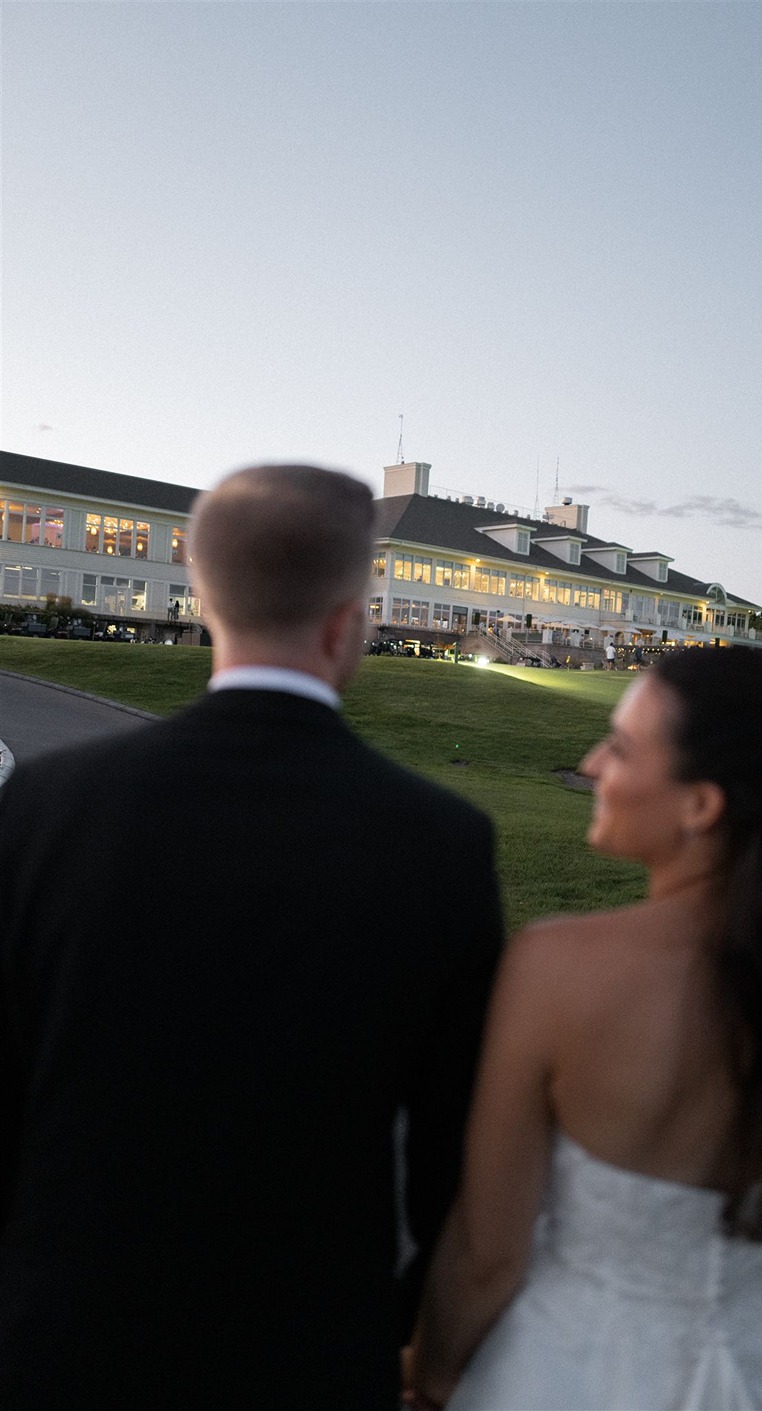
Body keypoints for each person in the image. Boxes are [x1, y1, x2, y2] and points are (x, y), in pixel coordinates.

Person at [0, 463, 504, 1410]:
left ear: (203, 596)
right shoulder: (439, 841)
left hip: (63, 1329)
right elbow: (453, 1154)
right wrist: (407, 1330)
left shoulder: (47, 804)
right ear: (349, 616)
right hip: (311, 1343)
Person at [408, 648, 762, 1411]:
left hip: (585, 1365)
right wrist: (753, 1248)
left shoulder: (555, 968)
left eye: (620, 746)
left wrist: (431, 1376)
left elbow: (489, 1251)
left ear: (701, 805)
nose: (592, 764)